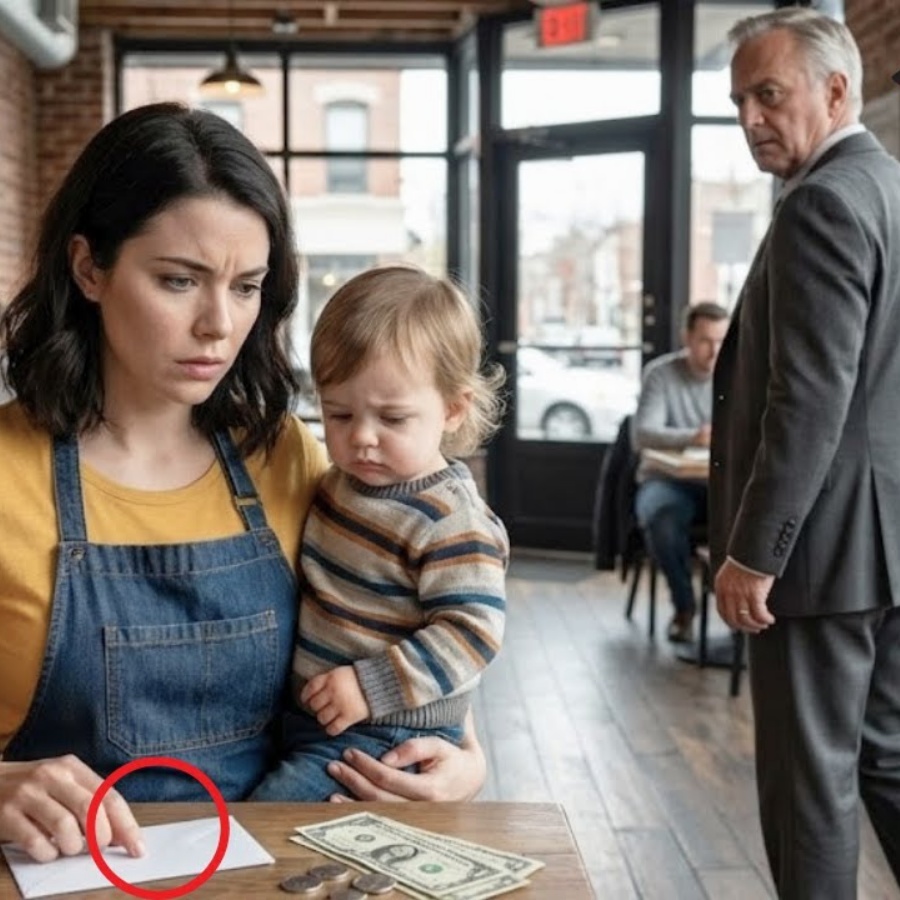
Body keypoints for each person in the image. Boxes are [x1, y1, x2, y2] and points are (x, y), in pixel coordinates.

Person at [0, 102, 487, 865]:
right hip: (60, 873)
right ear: (89, 267)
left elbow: (394, 616)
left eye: (247, 286)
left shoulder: (287, 455)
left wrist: (460, 756)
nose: (219, 325)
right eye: (178, 280)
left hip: (274, 861)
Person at [710, 9, 900, 897]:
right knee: (887, 763)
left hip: (819, 561)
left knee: (809, 790)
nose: (751, 117)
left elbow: (810, 398)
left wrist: (754, 553)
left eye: (768, 94)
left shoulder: (822, 201)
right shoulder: (889, 187)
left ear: (835, 90)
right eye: (741, 99)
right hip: (889, 549)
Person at [252, 265, 508, 800]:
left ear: (454, 409)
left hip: (390, 726)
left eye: (392, 419)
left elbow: (473, 632)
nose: (362, 438)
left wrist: (371, 687)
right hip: (314, 716)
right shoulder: (339, 481)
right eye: (339, 413)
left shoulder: (450, 518)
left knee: (266, 821)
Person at [630, 301, 729, 642]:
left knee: (753, 517)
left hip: (718, 484)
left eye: (721, 340)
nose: (714, 350)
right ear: (687, 337)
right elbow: (642, 434)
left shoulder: (738, 375)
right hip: (667, 481)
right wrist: (695, 436)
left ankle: (739, 620)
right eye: (705, 340)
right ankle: (685, 608)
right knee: (662, 518)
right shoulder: (661, 374)